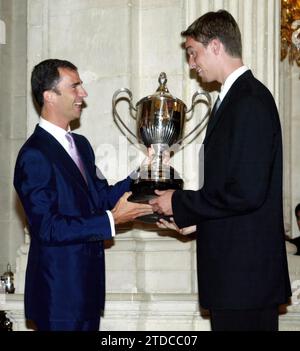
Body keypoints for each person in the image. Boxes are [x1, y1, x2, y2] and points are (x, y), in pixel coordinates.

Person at [150, 10, 291, 331]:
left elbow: (246, 192)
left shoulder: (249, 101)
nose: (191, 64)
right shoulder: (236, 99)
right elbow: (236, 192)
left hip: (244, 280)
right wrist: (195, 222)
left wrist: (181, 203)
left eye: (192, 53)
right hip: (238, 280)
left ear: (215, 46)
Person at [13, 59, 153, 331]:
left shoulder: (81, 145)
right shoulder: (33, 155)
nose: (83, 94)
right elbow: (48, 228)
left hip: (87, 293)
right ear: (49, 96)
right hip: (59, 298)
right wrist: (111, 221)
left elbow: (100, 197)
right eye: (74, 86)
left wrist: (144, 172)